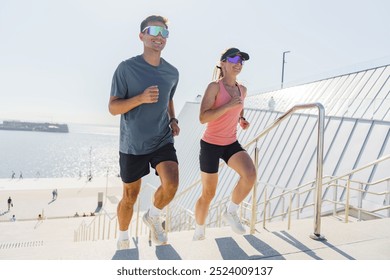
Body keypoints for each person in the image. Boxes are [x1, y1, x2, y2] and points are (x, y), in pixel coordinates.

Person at [108, 15, 180, 250]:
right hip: (133, 144)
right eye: (154, 31)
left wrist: (173, 119)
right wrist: (139, 98)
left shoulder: (172, 72)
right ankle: (123, 237)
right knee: (130, 196)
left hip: (162, 138)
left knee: (172, 183)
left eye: (164, 33)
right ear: (142, 36)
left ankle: (153, 215)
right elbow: (113, 107)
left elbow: (169, 98)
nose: (159, 37)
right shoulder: (126, 68)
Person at [193, 48, 257, 241]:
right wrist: (228, 106)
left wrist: (241, 119)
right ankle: (199, 229)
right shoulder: (214, 87)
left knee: (250, 174)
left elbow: (238, 110)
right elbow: (203, 117)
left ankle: (231, 211)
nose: (239, 63)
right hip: (210, 145)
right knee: (208, 193)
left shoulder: (242, 90)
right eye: (234, 59)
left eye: (242, 61)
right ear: (222, 63)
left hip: (230, 142)